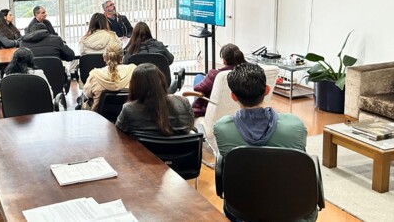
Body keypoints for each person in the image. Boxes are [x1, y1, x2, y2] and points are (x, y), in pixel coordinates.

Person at [213, 63, 310, 221]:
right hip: (293, 211)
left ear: (233, 96)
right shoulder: (294, 125)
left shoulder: (222, 128)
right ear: (267, 89)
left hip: (243, 210)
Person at [116, 63, 194, 136]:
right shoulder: (184, 102)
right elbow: (189, 127)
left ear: (134, 86)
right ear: (162, 81)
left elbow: (119, 134)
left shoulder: (129, 110)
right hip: (181, 150)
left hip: (143, 150)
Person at [192, 43, 246, 117]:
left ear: (224, 61)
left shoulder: (216, 75)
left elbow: (197, 89)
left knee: (198, 77)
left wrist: (207, 78)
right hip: (238, 107)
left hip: (210, 109)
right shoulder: (248, 72)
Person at [80, 42, 136, 111]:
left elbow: (88, 94)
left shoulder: (94, 74)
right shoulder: (133, 70)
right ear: (122, 58)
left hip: (99, 118)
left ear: (104, 57)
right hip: (128, 117)